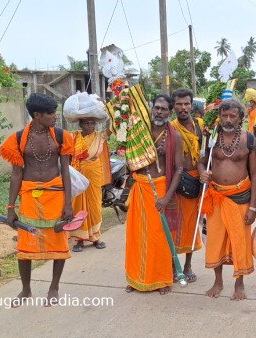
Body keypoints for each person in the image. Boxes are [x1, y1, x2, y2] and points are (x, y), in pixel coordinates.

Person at [0, 93, 75, 307]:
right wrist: (11, 207)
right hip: (30, 197)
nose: (55, 116)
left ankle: (54, 287)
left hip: (56, 195)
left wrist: (68, 203)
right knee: (25, 245)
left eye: (55, 112)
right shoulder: (17, 139)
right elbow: (16, 174)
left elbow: (66, 172)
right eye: (51, 113)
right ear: (37, 115)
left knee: (58, 240)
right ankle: (26, 290)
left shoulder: (61, 136)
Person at [198, 98, 256, 301]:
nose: (228, 119)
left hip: (240, 198)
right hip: (215, 196)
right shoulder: (211, 137)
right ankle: (218, 281)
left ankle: (239, 284)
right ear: (219, 116)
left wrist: (253, 207)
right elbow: (201, 161)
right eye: (224, 115)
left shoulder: (250, 140)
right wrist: (202, 173)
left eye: (233, 115)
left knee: (239, 241)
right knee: (215, 239)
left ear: (241, 118)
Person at [125, 94, 183, 295]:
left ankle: (162, 279)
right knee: (137, 235)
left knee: (160, 237)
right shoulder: (140, 131)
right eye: (156, 107)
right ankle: (136, 278)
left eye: (164, 109)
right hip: (141, 186)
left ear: (170, 112)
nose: (159, 112)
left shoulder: (174, 136)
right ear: (151, 108)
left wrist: (167, 197)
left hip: (160, 188)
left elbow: (178, 169)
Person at [169, 88, 203, 283]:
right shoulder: (170, 128)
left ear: (192, 105)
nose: (183, 108)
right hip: (177, 181)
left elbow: (204, 152)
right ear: (173, 107)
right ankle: (174, 265)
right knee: (175, 224)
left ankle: (188, 265)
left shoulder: (199, 125)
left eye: (186, 104)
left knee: (192, 223)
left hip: (196, 181)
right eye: (179, 104)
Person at [68, 115, 112, 252]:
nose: (90, 126)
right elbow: (67, 156)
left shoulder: (100, 136)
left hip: (93, 174)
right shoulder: (73, 137)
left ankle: (95, 237)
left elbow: (114, 127)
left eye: (92, 123)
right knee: (78, 205)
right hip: (77, 174)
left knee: (94, 204)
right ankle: (79, 239)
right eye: (87, 123)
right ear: (80, 124)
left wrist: (113, 109)